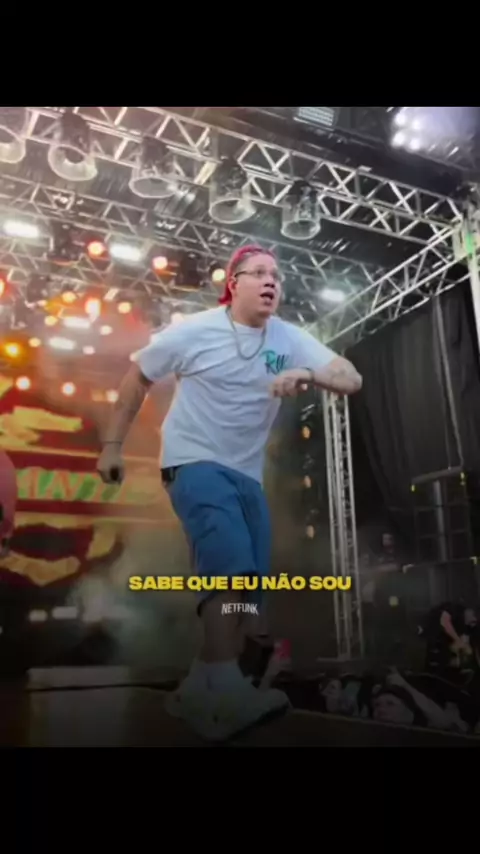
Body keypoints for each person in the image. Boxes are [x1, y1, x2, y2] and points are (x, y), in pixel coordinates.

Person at [96, 244, 362, 741]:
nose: (271, 281)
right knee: (230, 566)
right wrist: (112, 445)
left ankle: (199, 684)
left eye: (276, 275)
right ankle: (223, 689)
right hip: (193, 461)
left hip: (246, 475)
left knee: (249, 597)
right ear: (233, 283)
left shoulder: (289, 338)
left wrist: (307, 373)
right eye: (258, 273)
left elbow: (351, 377)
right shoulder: (195, 331)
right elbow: (137, 378)